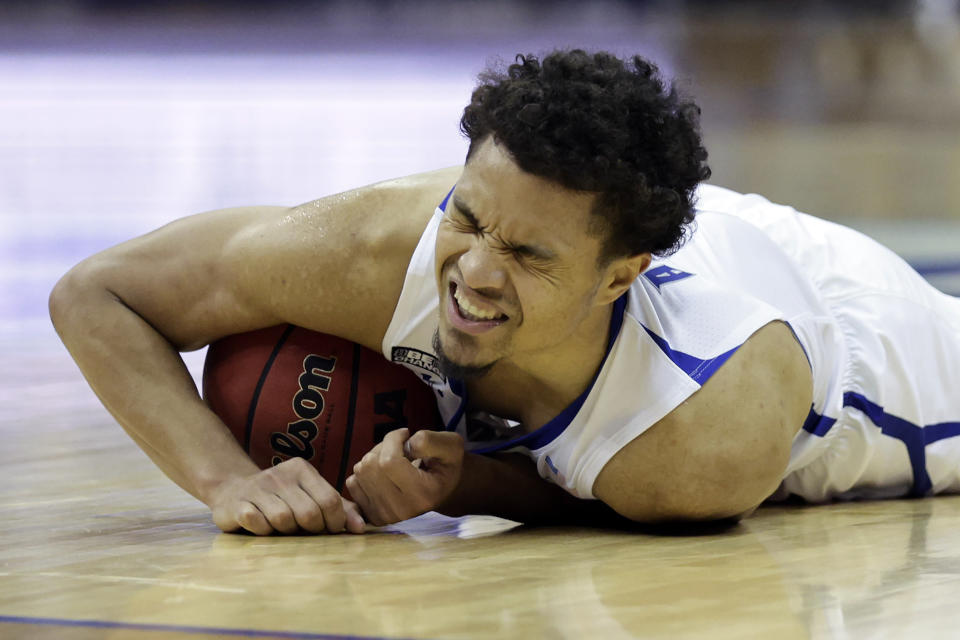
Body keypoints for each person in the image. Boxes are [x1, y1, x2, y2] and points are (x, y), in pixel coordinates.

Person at [50, 50, 960, 536]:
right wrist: (229, 482)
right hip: (705, 227)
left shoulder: (692, 435)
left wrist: (477, 486)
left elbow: (611, 498)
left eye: (524, 251)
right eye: (470, 215)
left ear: (621, 275)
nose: (475, 271)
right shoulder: (383, 249)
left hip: (878, 359)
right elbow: (97, 295)